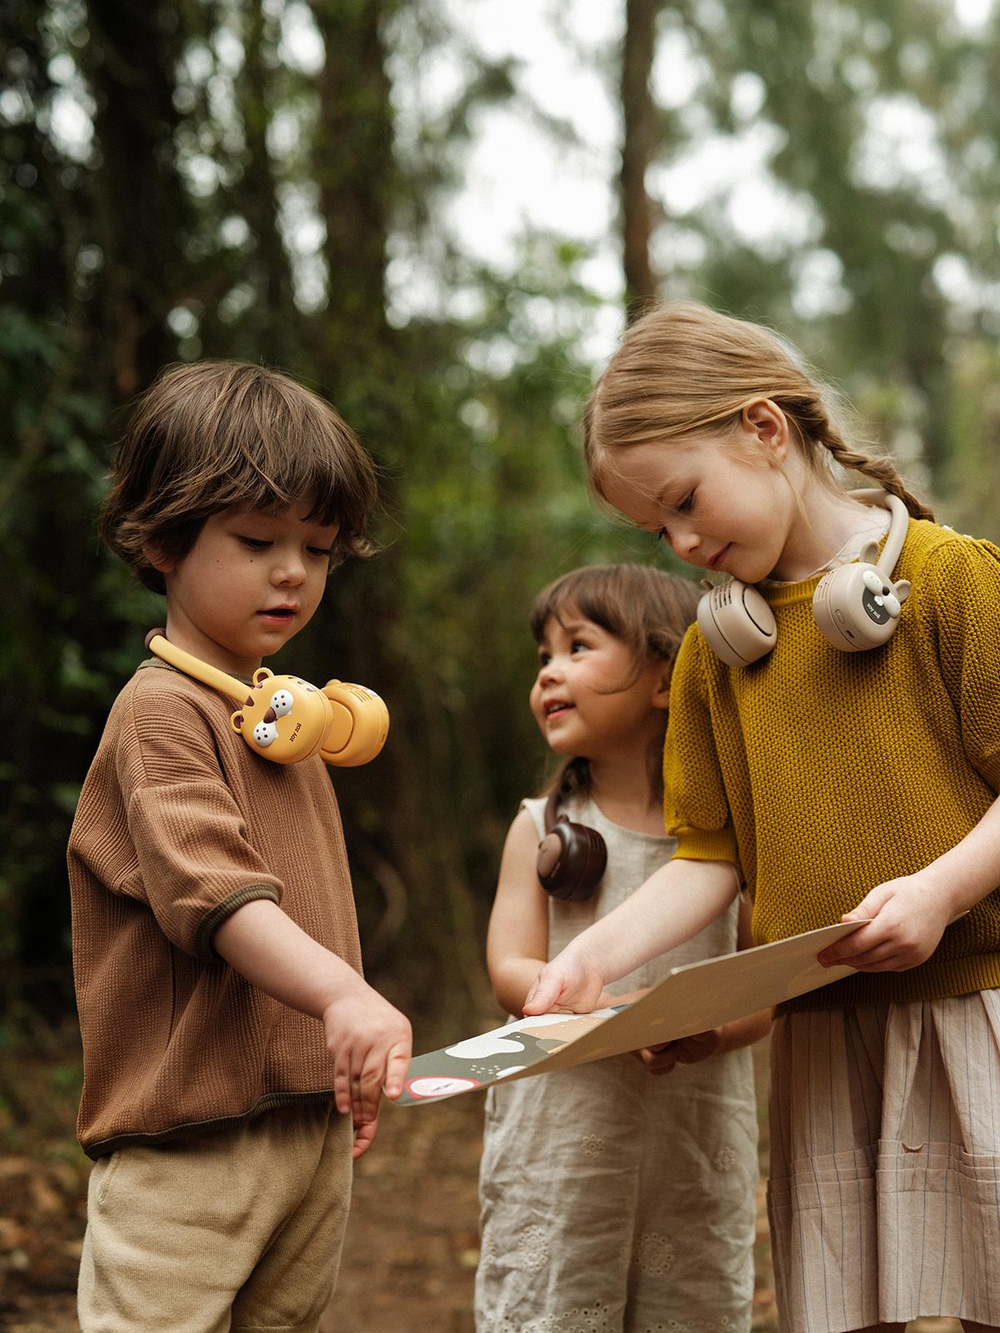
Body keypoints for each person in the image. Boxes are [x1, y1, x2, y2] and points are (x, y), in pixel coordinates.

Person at [524, 302, 1000, 1333]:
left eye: (687, 502)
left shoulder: (956, 582)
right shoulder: (714, 655)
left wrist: (938, 890)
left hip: (976, 1015)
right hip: (824, 1045)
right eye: (659, 530)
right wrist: (592, 958)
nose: (684, 541)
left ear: (765, 429)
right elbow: (707, 858)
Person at [67, 360, 412, 1333]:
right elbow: (218, 899)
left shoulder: (280, 713)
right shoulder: (162, 711)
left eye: (319, 546)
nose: (293, 570)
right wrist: (343, 993)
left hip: (305, 1123)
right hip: (192, 1140)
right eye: (258, 540)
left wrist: (339, 1046)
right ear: (164, 540)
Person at [476, 563, 769, 1333]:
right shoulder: (538, 826)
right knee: (555, 1303)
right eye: (543, 656)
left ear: (666, 679)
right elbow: (511, 968)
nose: (550, 673)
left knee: (689, 1301)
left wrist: (707, 1030)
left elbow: (761, 993)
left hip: (692, 1133)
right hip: (563, 1132)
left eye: (578, 646)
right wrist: (597, 1008)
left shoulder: (723, 843)